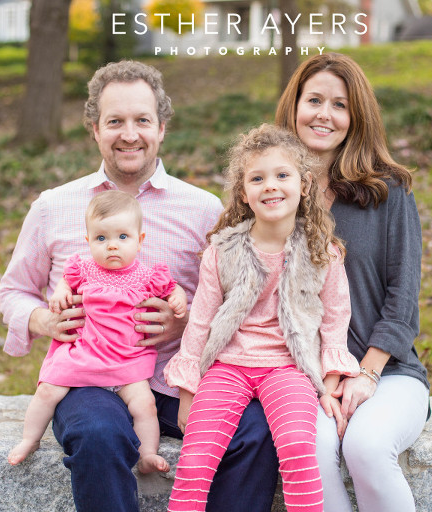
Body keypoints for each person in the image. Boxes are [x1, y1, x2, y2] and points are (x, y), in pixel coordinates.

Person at [0, 60, 279, 512]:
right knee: (97, 434)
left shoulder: (204, 210)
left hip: (175, 380)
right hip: (91, 382)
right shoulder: (53, 206)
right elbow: (12, 292)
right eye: (115, 122)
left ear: (162, 127)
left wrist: (184, 326)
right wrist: (45, 319)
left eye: (142, 120)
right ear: (94, 129)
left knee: (253, 429)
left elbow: (239, 305)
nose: (130, 134)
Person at [164, 124, 360, 512]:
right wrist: (188, 392)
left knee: (298, 450)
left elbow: (336, 319)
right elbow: (200, 321)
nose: (270, 186)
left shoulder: (323, 252)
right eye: (258, 178)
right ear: (243, 193)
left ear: (304, 185)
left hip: (288, 368)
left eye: (282, 175)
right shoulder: (223, 252)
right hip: (228, 367)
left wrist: (330, 383)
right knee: (196, 457)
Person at [276, 53, 431, 512]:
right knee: (310, 451)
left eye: (339, 105)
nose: (324, 114)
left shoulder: (388, 192)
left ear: (355, 117)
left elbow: (404, 300)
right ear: (294, 107)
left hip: (387, 372)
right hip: (305, 377)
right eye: (314, 100)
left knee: (365, 447)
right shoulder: (274, 191)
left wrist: (366, 374)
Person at [8, 190, 187, 474]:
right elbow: (66, 284)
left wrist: (177, 298)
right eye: (101, 238)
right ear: (88, 240)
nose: (112, 246)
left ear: (140, 241)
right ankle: (30, 439)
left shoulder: (147, 275)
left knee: (145, 406)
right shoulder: (84, 270)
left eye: (122, 237)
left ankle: (147, 454)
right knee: (47, 392)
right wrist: (60, 294)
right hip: (84, 356)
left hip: (127, 360)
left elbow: (171, 288)